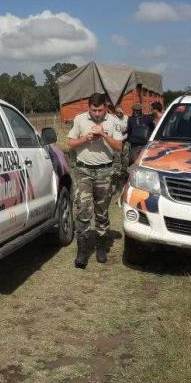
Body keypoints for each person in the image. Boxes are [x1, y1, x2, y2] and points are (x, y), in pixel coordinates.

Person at [67, 93, 123, 268]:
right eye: (93, 110)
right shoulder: (80, 119)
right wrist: (86, 138)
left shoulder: (113, 121)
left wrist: (104, 135)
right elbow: (69, 142)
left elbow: (119, 147)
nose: (97, 114)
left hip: (105, 171)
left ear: (106, 107)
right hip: (83, 170)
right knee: (83, 209)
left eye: (100, 110)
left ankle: (101, 246)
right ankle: (82, 251)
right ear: (88, 107)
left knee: (101, 211)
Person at [109, 102, 129, 197]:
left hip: (125, 143)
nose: (119, 114)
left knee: (125, 163)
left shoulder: (126, 118)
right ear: (115, 112)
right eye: (117, 112)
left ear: (123, 111)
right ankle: (114, 186)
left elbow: (129, 129)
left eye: (120, 112)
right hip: (116, 144)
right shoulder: (113, 119)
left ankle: (124, 184)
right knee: (116, 164)